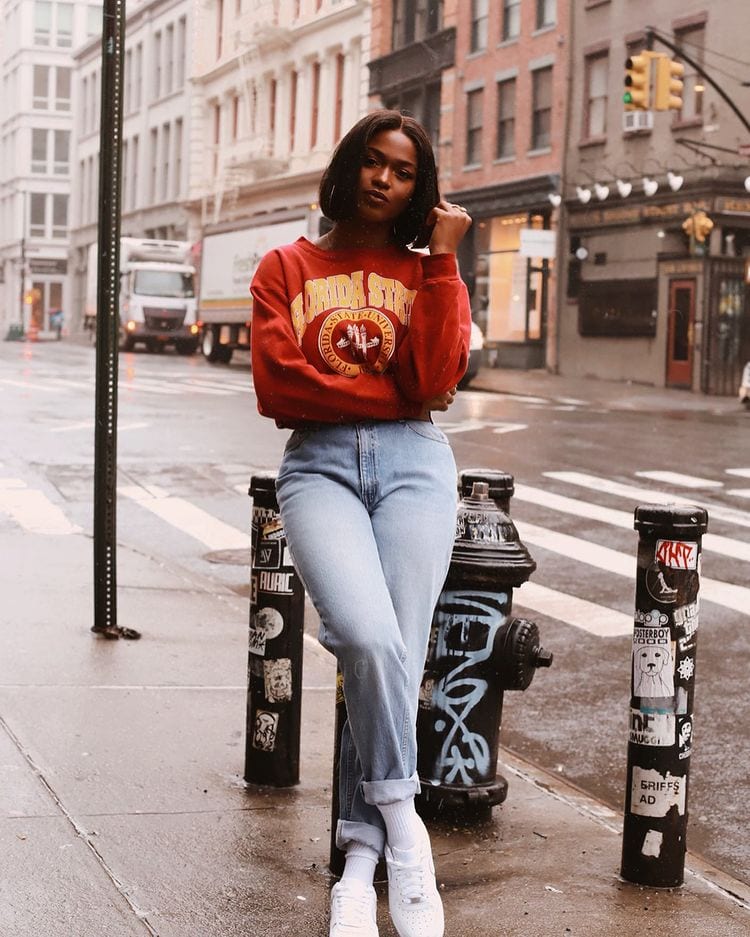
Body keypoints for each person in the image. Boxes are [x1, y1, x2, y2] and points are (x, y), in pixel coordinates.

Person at [250, 109, 472, 937]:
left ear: (420, 186)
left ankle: (359, 864)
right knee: (370, 642)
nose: (385, 179)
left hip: (417, 465)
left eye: (404, 171)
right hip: (321, 469)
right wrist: (395, 396)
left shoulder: (427, 273)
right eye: (373, 163)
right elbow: (282, 388)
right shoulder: (285, 266)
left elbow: (438, 375)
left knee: (394, 660)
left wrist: (444, 259)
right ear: (349, 166)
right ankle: (405, 822)